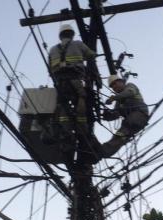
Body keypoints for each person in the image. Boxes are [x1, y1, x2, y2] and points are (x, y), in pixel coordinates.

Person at [48, 24, 96, 156]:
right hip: (75, 80)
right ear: (72, 34)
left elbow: (49, 68)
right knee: (81, 105)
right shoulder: (78, 44)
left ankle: (66, 135)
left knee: (62, 108)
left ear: (61, 35)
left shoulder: (52, 49)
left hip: (60, 84)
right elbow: (92, 55)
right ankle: (82, 133)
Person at [98, 74, 149, 159]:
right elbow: (116, 114)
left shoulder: (130, 86)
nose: (114, 87)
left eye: (115, 83)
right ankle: (104, 152)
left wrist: (114, 98)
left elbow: (129, 92)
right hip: (132, 121)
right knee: (120, 136)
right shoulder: (119, 101)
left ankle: (105, 149)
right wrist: (106, 115)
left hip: (140, 115)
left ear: (121, 82)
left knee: (124, 128)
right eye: (112, 86)